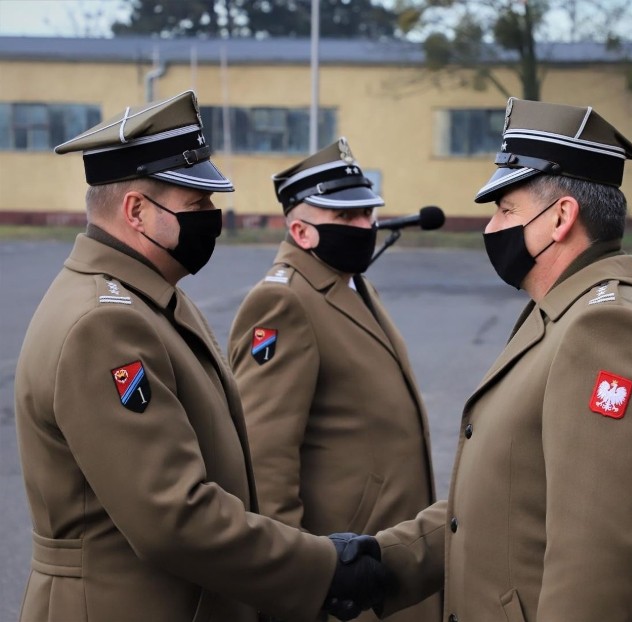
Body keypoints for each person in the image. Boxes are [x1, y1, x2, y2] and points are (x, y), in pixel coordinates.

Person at [14, 91, 386, 622]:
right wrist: (321, 567)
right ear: (137, 211)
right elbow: (173, 515)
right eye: (197, 205)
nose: (213, 218)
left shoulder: (150, 295)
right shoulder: (105, 323)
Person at [341, 98, 632, 621]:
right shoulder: (558, 313)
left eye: (507, 210)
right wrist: (378, 563)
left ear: (561, 218)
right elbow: (507, 496)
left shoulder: (605, 329)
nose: (491, 228)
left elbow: (594, 564)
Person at [227, 138, 441, 622]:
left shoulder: (349, 283)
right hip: (341, 578)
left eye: (367, 215)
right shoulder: (284, 303)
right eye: (345, 218)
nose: (364, 227)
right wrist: (295, 582)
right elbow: (265, 459)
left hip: (388, 565)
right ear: (301, 231)